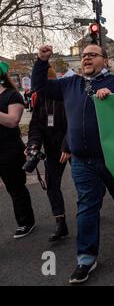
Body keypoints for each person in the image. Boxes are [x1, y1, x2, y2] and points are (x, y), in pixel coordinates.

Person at [31, 44, 114, 284]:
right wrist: (41, 61)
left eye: (92, 55)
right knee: (86, 207)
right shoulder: (70, 84)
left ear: (105, 60)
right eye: (84, 56)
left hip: (113, 158)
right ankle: (86, 258)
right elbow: (39, 87)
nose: (86, 58)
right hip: (81, 159)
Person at [27, 67, 71, 242]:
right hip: (52, 149)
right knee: (52, 185)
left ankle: (92, 210)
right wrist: (33, 144)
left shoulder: (66, 95)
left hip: (72, 146)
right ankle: (60, 223)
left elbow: (75, 123)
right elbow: (35, 125)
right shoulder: (39, 98)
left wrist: (68, 145)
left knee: (87, 182)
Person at [0, 61, 36, 239]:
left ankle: (26, 222)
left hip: (9, 150)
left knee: (15, 188)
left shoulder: (12, 95)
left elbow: (13, 121)